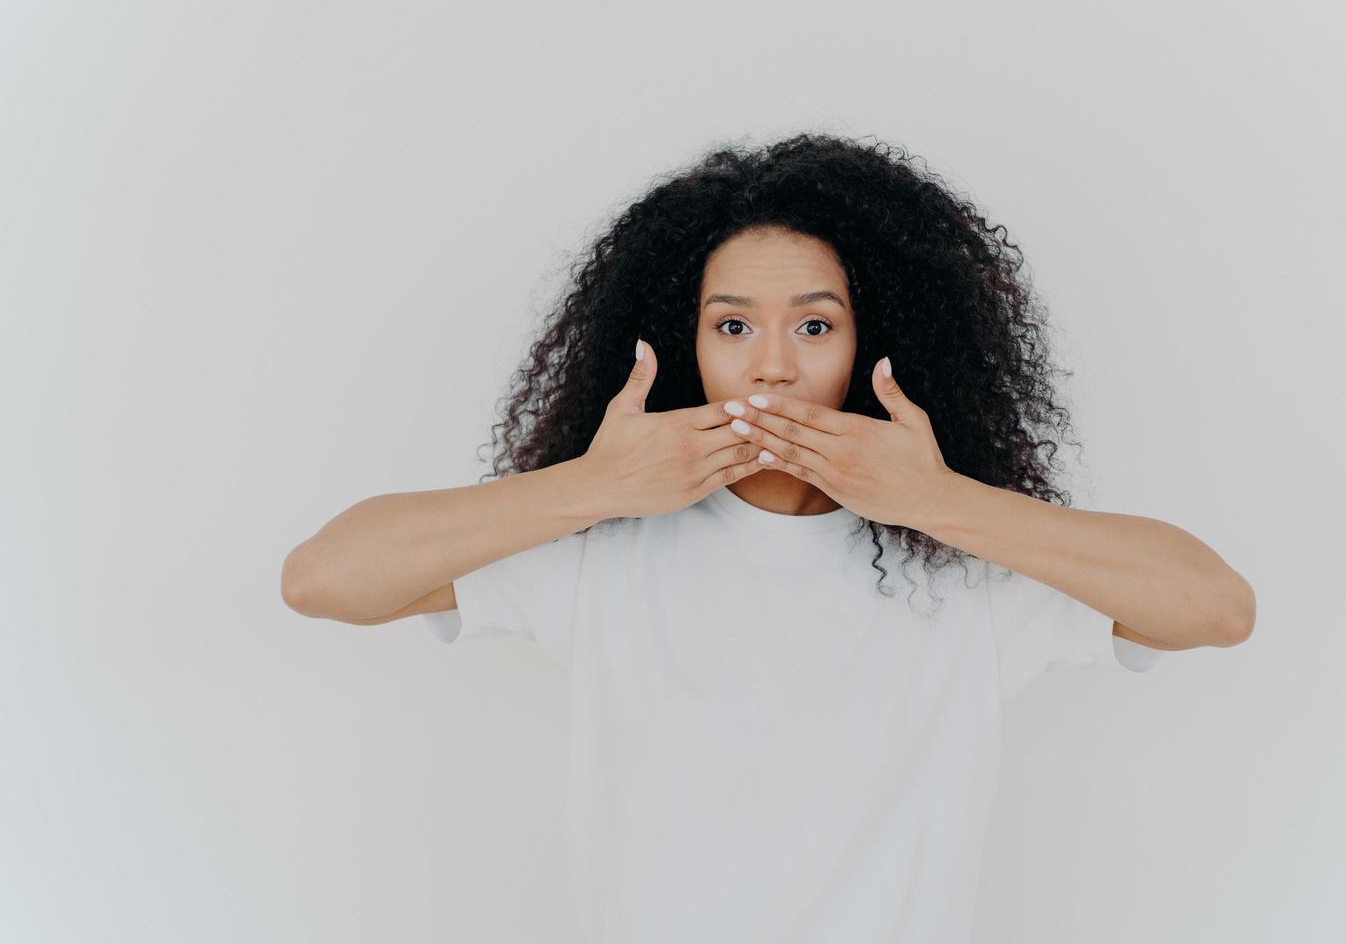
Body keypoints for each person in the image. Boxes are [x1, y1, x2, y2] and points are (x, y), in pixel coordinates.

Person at [282, 133, 1255, 944]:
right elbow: (325, 577)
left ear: (879, 346)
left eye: (815, 327)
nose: (774, 368)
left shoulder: (966, 569)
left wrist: (938, 497)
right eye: (734, 326)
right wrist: (591, 483)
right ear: (684, 343)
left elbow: (1215, 606)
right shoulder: (602, 549)